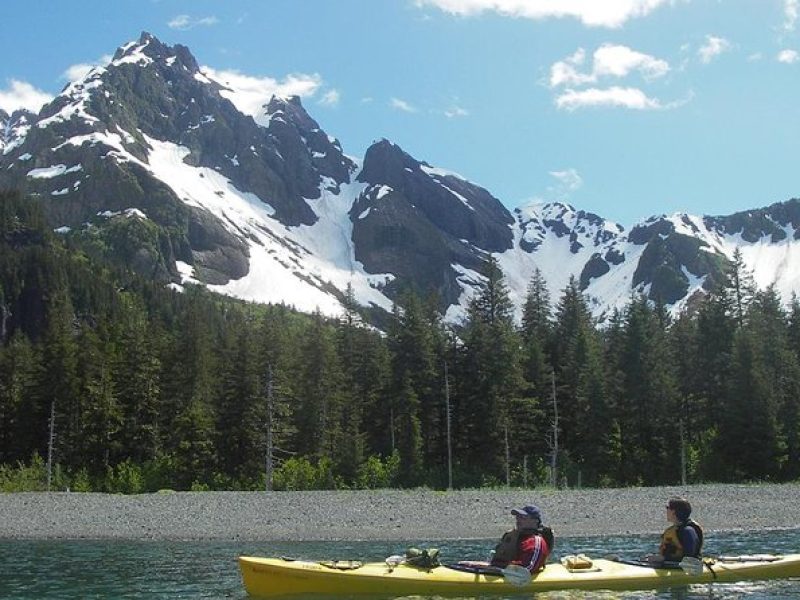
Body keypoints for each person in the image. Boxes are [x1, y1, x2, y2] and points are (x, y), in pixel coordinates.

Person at [489, 505, 553, 573]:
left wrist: (500, 567)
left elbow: (527, 568)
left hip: (516, 576)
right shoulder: (511, 536)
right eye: (518, 517)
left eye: (523, 517)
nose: (518, 520)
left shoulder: (536, 541)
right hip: (503, 570)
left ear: (535, 521)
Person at [646, 497, 704, 565]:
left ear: (673, 512)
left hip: (683, 567)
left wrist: (663, 559)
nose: (666, 511)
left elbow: (690, 558)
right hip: (671, 564)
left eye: (668, 508)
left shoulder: (688, 531)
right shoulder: (676, 529)